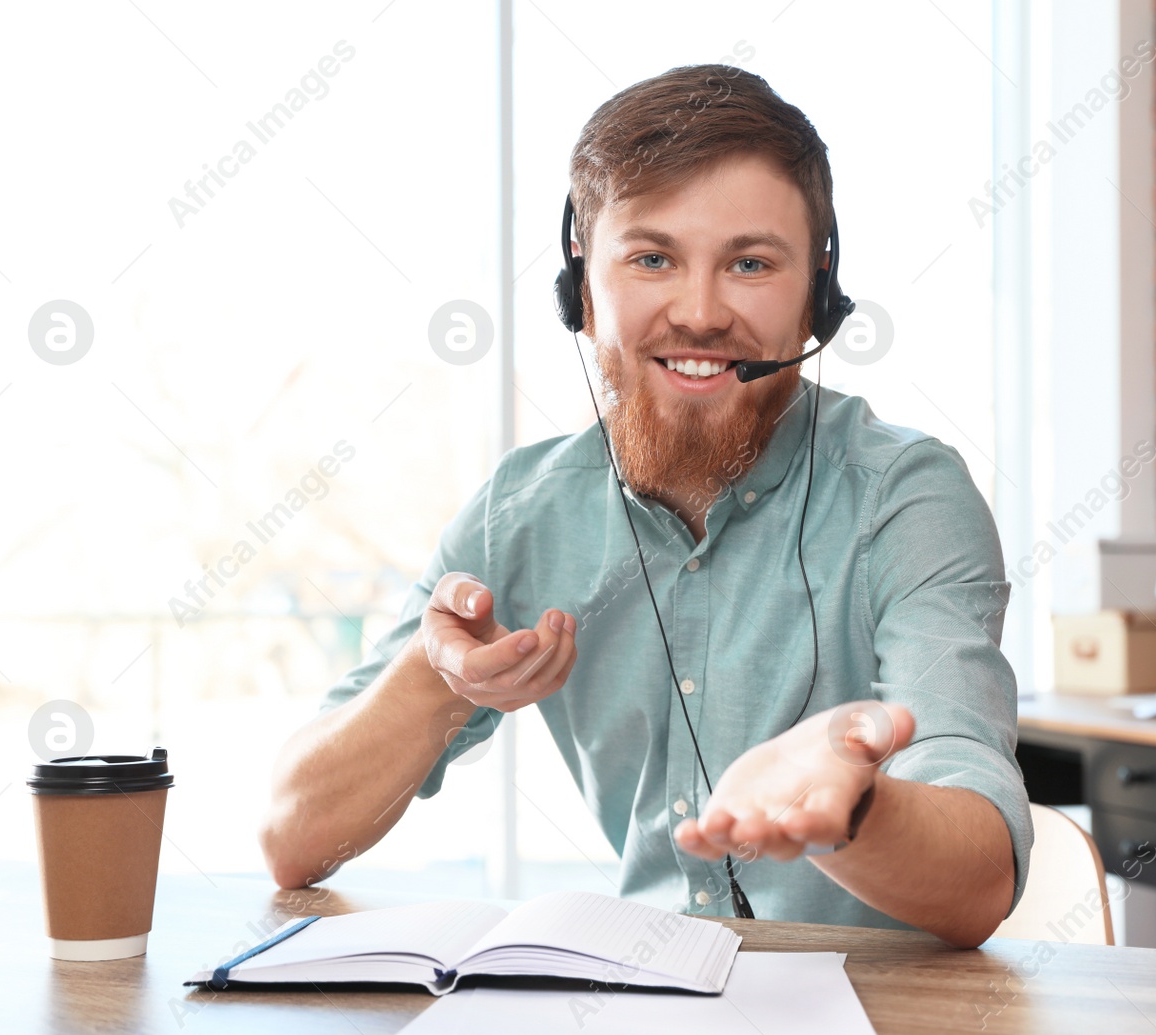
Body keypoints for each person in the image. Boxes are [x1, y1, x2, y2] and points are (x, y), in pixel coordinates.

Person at [260, 64, 1032, 947]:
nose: (699, 313)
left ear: (818, 294)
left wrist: (851, 805)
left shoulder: (907, 498)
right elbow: (293, 835)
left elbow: (982, 881)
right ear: (582, 288)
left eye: (750, 263)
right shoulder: (521, 512)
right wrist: (433, 684)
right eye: (652, 258)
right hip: (638, 1004)